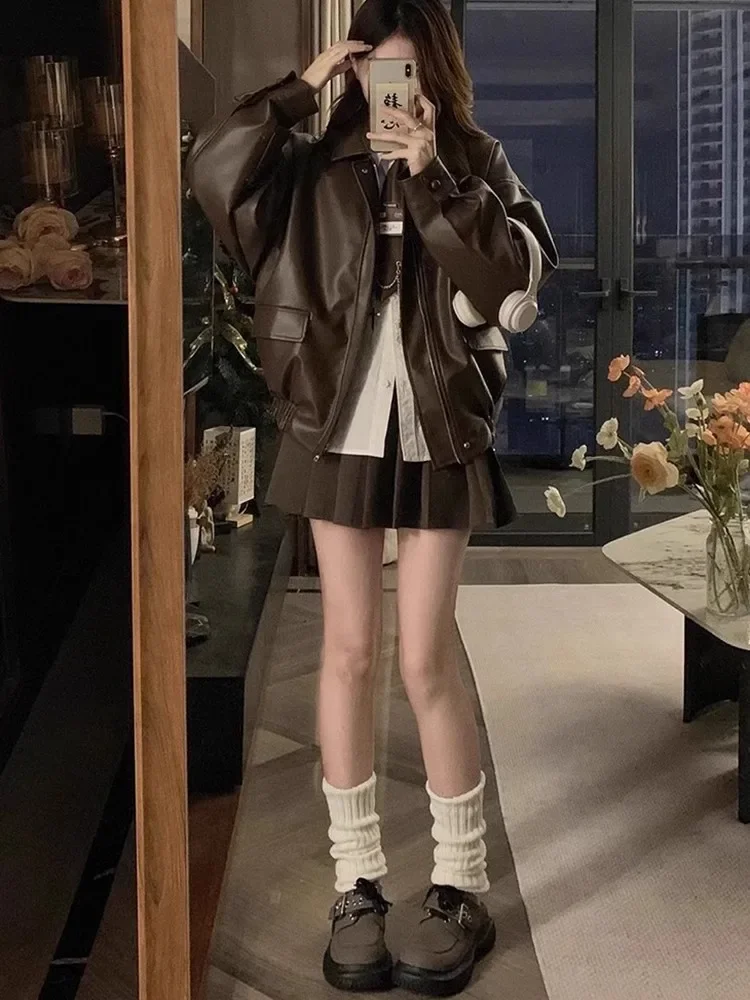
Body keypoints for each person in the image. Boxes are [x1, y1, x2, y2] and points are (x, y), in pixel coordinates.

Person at [187, 0, 557, 994]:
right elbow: (212, 175)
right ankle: (355, 883)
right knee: (348, 651)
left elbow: (512, 278)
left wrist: (434, 173)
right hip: (334, 423)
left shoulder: (476, 162)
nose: (393, 92)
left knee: (426, 656)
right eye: (373, 72)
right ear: (351, 72)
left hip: (438, 428)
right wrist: (296, 92)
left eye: (409, 72)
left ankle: (460, 884)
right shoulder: (310, 165)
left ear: (438, 70)